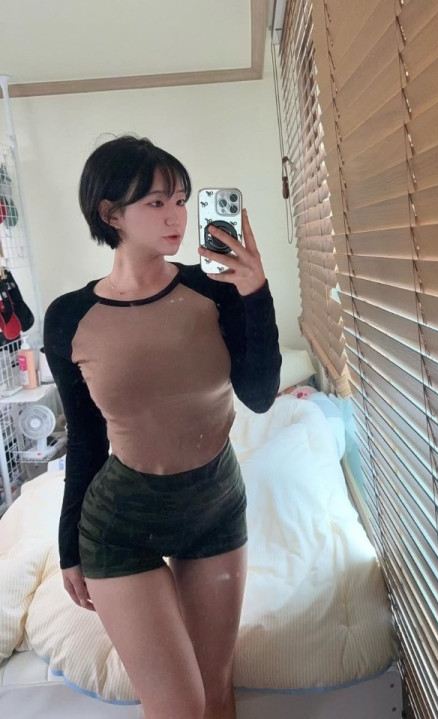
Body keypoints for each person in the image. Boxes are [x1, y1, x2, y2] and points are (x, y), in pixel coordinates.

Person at [43, 135, 281, 719]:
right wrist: (68, 546)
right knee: (179, 706)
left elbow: (259, 396)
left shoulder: (214, 289)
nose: (176, 216)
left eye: (180, 200)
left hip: (215, 509)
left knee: (216, 691)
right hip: (121, 525)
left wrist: (255, 293)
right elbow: (86, 439)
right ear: (111, 214)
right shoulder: (70, 317)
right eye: (155, 203)